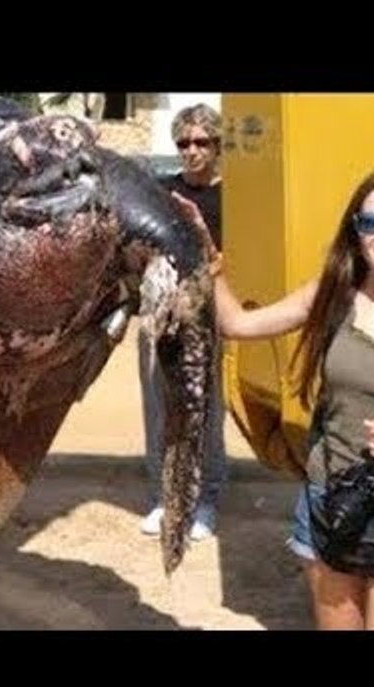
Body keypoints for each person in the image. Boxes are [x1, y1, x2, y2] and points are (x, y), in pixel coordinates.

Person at [174, 166, 374, 629]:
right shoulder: (330, 296)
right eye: (372, 223)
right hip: (329, 505)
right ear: (356, 232)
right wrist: (206, 254)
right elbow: (238, 324)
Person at [138, 103, 227, 541]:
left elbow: (230, 266)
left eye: (201, 142)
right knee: (158, 409)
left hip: (206, 316)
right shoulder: (161, 191)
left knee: (206, 409)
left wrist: (204, 242)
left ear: (217, 144)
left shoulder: (234, 198)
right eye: (184, 143)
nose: (191, 150)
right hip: (161, 314)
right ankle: (163, 497)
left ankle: (206, 499)